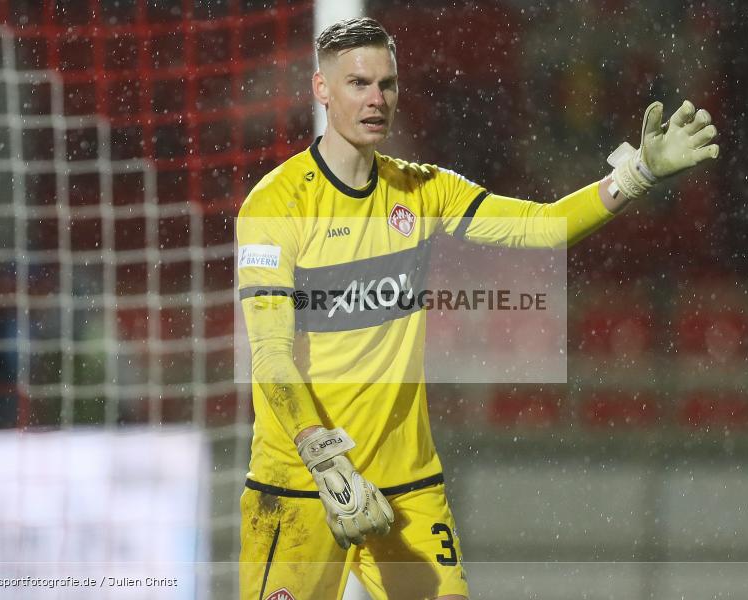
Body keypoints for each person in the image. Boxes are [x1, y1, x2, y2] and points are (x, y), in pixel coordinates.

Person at [237, 17, 718, 600]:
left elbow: (544, 227)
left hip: (406, 484)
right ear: (322, 89)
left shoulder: (423, 189)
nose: (376, 99)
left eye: (387, 84)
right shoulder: (275, 204)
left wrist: (637, 174)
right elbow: (270, 354)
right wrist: (320, 455)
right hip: (299, 484)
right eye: (358, 84)